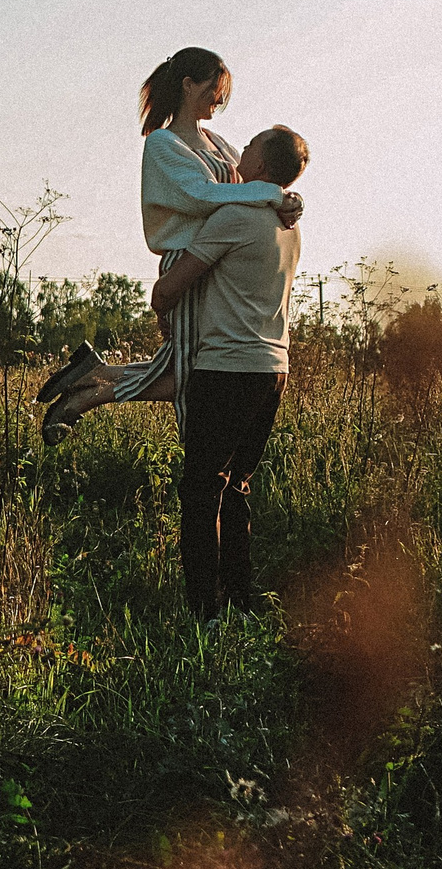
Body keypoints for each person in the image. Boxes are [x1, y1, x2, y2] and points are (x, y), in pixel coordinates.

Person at [42, 123, 309, 617]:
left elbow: (170, 289)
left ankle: (204, 613)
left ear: (263, 167)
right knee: (236, 488)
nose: (239, 151)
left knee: (202, 490)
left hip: (226, 367)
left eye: (249, 148)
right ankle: (241, 604)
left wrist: (164, 306)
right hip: (274, 369)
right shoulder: (289, 223)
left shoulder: (236, 217)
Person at [36, 47, 300, 438]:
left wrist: (285, 198)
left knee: (192, 368)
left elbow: (250, 190)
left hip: (219, 263)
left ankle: (94, 379)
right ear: (188, 85)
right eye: (215, 88)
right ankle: (90, 392)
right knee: (193, 373)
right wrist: (274, 196)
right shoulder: (162, 144)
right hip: (190, 260)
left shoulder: (219, 144)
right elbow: (200, 195)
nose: (221, 99)